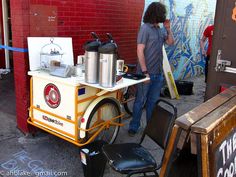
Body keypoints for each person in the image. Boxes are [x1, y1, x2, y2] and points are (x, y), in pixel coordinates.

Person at [128, 2, 174, 136]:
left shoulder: (159, 29)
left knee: (153, 103)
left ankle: (150, 127)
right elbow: (140, 50)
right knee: (140, 101)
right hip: (145, 74)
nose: (163, 16)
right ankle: (134, 126)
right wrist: (144, 72)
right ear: (156, 14)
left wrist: (168, 29)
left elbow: (171, 42)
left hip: (158, 74)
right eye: (161, 13)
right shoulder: (145, 29)